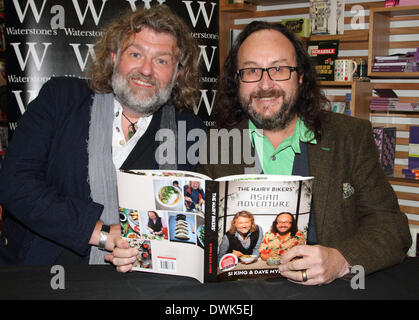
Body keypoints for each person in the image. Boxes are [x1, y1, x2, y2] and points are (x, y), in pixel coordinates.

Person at [198, 21, 412, 285]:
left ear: (300, 76)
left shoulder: (349, 137)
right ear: (237, 81)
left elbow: (393, 227)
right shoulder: (216, 144)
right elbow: (201, 236)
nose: (265, 85)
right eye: (252, 70)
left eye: (279, 68)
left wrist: (341, 259)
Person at [0, 5, 205, 267]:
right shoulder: (61, 99)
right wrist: (101, 233)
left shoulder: (188, 130)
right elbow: (15, 184)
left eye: (162, 60)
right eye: (135, 54)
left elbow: (185, 216)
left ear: (177, 75)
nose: (146, 70)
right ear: (113, 58)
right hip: (39, 272)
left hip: (139, 279)